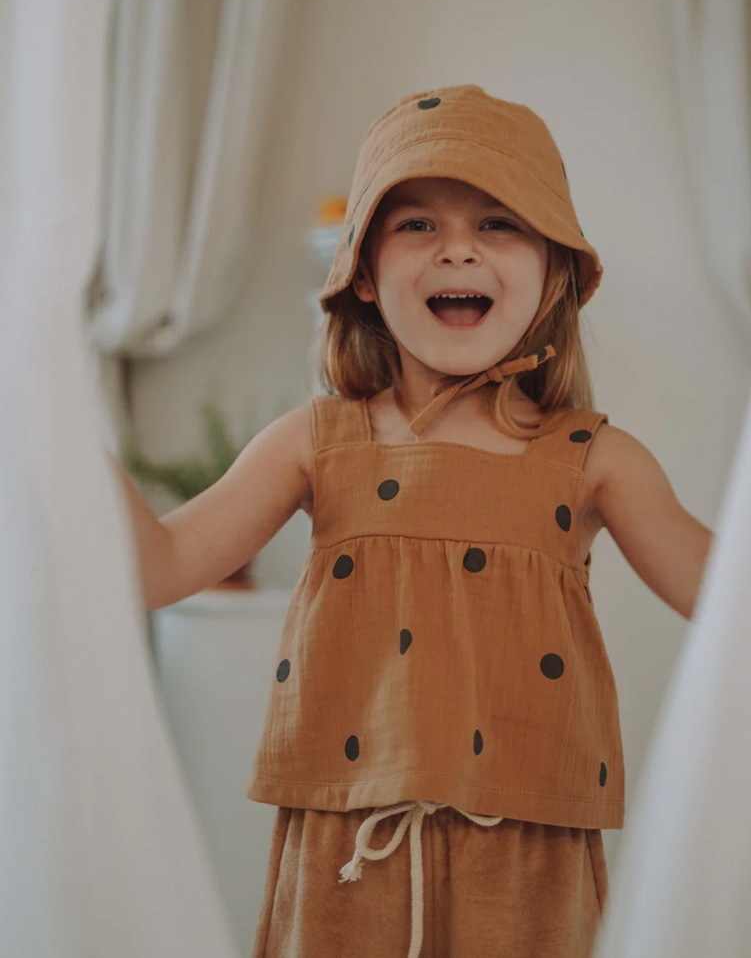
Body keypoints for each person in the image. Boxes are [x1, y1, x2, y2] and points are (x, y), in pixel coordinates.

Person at [114, 84, 714, 958]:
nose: (458, 249)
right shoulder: (317, 442)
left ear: (553, 267)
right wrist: (46, 414)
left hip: (527, 856)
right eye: (417, 224)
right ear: (362, 267)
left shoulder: (594, 459)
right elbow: (159, 566)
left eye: (499, 222)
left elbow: (739, 603)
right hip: (345, 855)